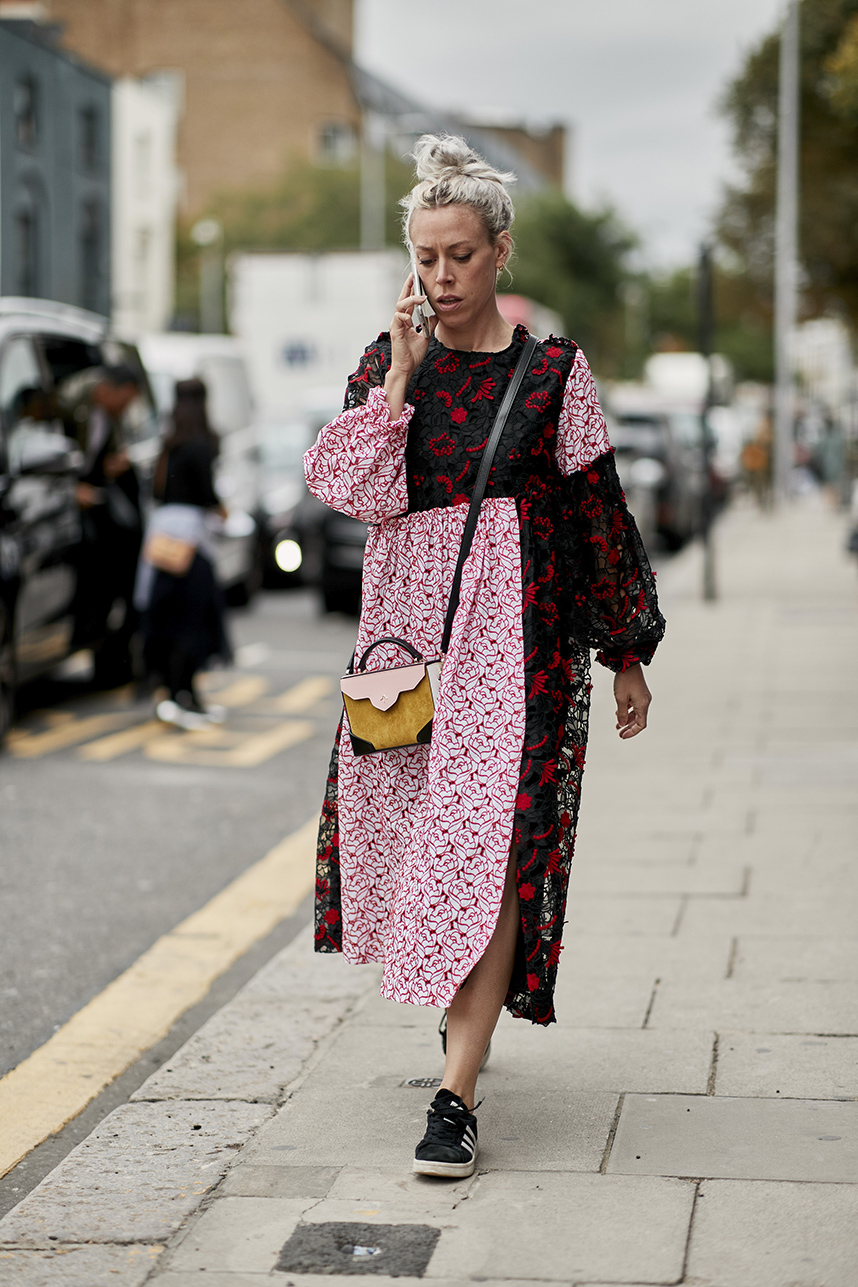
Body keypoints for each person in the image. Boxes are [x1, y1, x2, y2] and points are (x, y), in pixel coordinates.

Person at [304, 135, 666, 1179]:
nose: (442, 277)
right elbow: (351, 489)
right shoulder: (387, 366)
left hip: (524, 650)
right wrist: (402, 380)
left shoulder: (554, 374)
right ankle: (462, 1017)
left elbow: (600, 512)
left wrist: (626, 650)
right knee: (429, 848)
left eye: (460, 255)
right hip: (408, 654)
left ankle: (456, 1094)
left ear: (499, 253)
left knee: (496, 849)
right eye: (425, 258)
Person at [136, 378, 231, 729]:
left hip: (163, 540)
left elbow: (158, 492)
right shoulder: (202, 443)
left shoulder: (169, 442)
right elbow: (208, 494)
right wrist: (223, 511)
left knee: (168, 617)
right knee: (193, 620)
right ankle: (182, 695)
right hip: (192, 543)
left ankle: (177, 693)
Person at [70, 364, 144, 682]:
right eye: (125, 400)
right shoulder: (71, 407)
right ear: (106, 390)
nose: (127, 408)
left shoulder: (111, 420)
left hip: (98, 501)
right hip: (71, 503)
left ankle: (106, 648)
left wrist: (114, 465)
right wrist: (70, 489)